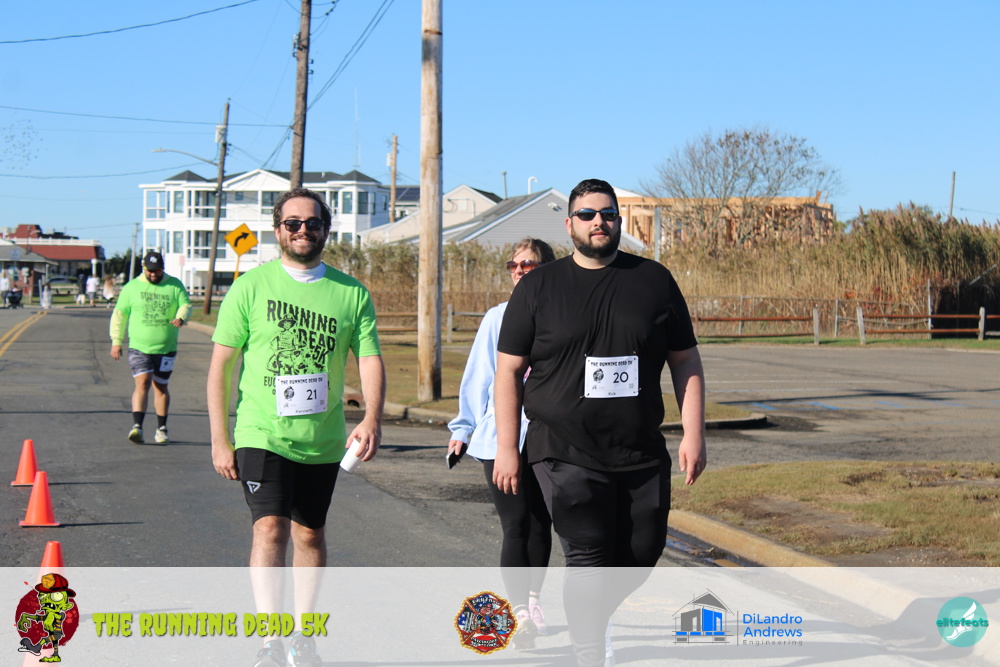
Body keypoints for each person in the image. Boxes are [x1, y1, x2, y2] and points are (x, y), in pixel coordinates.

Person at [494, 178, 707, 666]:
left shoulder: (654, 280)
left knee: (642, 552)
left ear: (618, 221)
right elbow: (507, 371)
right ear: (569, 224)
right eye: (587, 214)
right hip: (561, 447)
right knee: (588, 554)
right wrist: (507, 447)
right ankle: (588, 651)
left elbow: (685, 361)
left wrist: (693, 433)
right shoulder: (539, 287)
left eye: (608, 214)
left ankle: (588, 618)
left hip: (639, 448)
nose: (599, 222)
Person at [207, 188, 385, 667]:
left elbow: (369, 357)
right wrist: (221, 438)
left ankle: (304, 637)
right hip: (261, 432)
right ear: (277, 230)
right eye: (293, 223)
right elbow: (221, 367)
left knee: (309, 534)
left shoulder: (351, 293)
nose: (303, 230)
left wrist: (371, 416)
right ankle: (270, 641)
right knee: (270, 528)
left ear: (326, 230)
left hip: (322, 438)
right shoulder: (250, 287)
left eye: (312, 223)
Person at [447, 237, 556, 648]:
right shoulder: (497, 318)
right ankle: (519, 611)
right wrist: (462, 429)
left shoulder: (562, 315)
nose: (519, 272)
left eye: (528, 265)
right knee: (515, 525)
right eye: (514, 266)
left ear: (547, 270)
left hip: (548, 437)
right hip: (499, 439)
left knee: (541, 523)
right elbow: (480, 376)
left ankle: (534, 602)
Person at [110, 251, 191, 445]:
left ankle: (161, 429)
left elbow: (185, 305)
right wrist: (116, 341)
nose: (153, 274)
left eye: (157, 271)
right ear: (144, 268)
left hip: (166, 348)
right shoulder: (132, 287)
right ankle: (137, 426)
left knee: (161, 387)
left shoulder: (174, 285)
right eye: (150, 271)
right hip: (139, 347)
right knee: (143, 383)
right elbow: (119, 315)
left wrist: (181, 317)